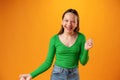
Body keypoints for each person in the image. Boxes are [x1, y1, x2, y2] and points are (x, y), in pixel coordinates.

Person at [19, 8, 93, 80]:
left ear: (77, 24)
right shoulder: (54, 39)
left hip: (74, 75)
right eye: (66, 20)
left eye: (73, 21)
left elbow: (83, 62)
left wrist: (86, 50)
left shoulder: (81, 38)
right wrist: (31, 75)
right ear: (62, 22)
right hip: (57, 75)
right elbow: (48, 63)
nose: (69, 24)